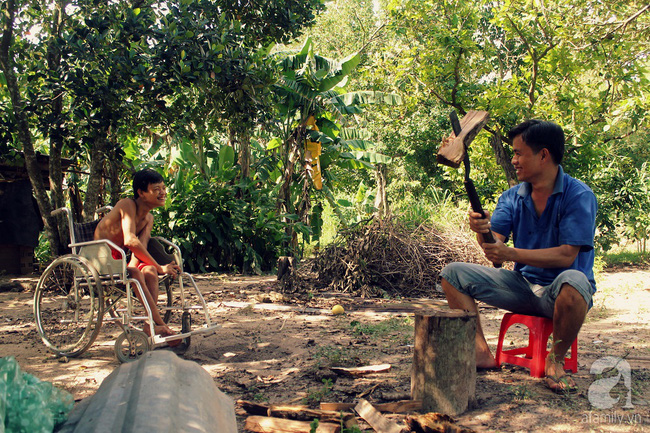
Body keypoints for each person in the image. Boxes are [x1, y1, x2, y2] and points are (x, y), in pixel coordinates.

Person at [440, 119, 597, 393]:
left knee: (575, 279)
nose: (513, 160)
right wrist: (483, 231)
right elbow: (495, 252)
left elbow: (567, 256)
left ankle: (555, 361)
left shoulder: (578, 195)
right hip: (523, 287)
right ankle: (480, 352)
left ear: (544, 155)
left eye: (518, 153)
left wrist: (509, 252)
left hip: (562, 295)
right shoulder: (512, 197)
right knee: (452, 273)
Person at [94, 169, 182, 341]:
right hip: (100, 257)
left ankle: (150, 327)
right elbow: (130, 240)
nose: (163, 193)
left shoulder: (149, 218)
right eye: (157, 189)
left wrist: (150, 267)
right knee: (138, 272)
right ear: (141, 193)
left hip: (120, 258)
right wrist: (160, 267)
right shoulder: (127, 205)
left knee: (148, 270)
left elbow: (139, 247)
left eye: (163, 188)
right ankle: (159, 324)